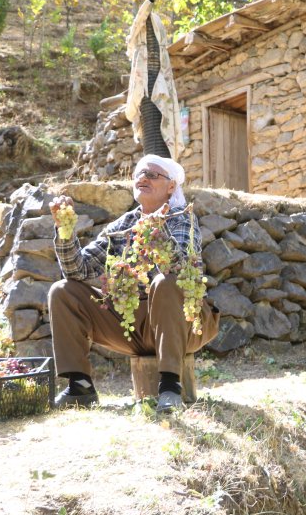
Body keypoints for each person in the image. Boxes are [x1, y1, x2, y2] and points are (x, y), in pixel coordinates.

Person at [47, 155, 220, 413]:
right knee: (63, 291)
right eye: (139, 174)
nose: (143, 178)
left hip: (184, 323)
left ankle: (171, 386)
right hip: (135, 327)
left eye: (152, 175)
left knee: (167, 282)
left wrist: (157, 234)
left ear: (171, 187)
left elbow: (179, 269)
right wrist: (64, 231)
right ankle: (79, 387)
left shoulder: (182, 218)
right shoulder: (124, 224)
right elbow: (77, 269)